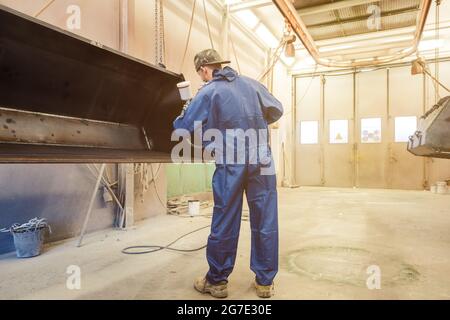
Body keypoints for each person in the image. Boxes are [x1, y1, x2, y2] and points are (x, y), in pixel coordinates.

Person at [173, 49, 283, 298]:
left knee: (225, 219)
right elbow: (276, 110)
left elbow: (183, 127)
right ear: (221, 64)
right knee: (265, 219)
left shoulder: (209, 91)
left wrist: (186, 107)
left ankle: (217, 282)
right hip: (262, 161)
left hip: (231, 161)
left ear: (203, 70)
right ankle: (265, 282)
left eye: (201, 74)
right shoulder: (253, 85)